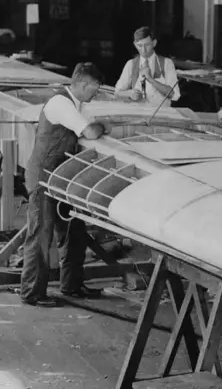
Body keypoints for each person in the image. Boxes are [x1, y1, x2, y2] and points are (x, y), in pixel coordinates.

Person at [21, 62, 107, 307]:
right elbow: (90, 132)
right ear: (82, 84)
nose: (96, 93)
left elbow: (90, 127)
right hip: (42, 178)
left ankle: (71, 286)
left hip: (60, 178)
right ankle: (31, 294)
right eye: (95, 88)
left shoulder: (76, 103)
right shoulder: (61, 104)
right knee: (41, 236)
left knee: (73, 232)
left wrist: (98, 126)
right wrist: (101, 127)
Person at [114, 26, 181, 107]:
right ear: (135, 44)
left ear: (154, 43)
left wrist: (150, 79)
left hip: (162, 114)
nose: (143, 50)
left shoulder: (167, 63)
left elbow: (174, 95)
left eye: (147, 45)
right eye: (140, 45)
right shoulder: (131, 64)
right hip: (138, 113)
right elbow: (117, 92)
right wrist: (129, 93)